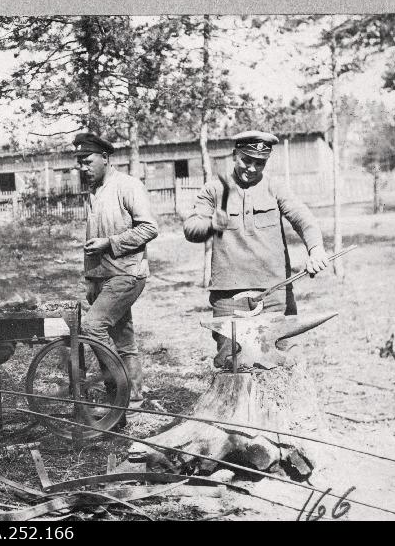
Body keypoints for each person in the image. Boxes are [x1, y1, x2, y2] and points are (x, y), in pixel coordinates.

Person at [183, 130, 330, 367]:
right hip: (228, 295)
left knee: (284, 360)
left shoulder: (276, 187)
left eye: (259, 163)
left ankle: (279, 405)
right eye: (246, 160)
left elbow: (304, 219)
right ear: (234, 155)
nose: (252, 168)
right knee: (231, 363)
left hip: (275, 292)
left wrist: (316, 250)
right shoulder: (214, 189)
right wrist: (210, 225)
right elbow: (191, 229)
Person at [74, 132, 159, 403]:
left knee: (92, 327)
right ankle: (132, 398)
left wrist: (110, 243)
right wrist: (91, 278)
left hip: (126, 274)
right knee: (122, 341)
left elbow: (149, 228)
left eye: (87, 161)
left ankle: (118, 390)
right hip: (101, 276)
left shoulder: (128, 185)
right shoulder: (94, 190)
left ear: (105, 158)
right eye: (79, 162)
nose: (82, 168)